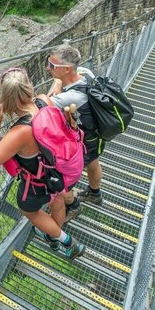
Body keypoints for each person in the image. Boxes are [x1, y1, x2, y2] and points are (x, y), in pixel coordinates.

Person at [0, 67, 85, 259]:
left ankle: (68, 242)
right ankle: (52, 236)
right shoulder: (44, 100)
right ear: (29, 87)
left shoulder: (20, 133)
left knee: (28, 210)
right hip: (57, 174)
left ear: (6, 99)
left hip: (37, 185)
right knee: (57, 201)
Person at [38, 44, 102, 221]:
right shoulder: (85, 73)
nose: (47, 68)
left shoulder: (71, 97)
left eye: (51, 65)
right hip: (96, 134)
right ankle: (95, 194)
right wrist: (59, 81)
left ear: (66, 69)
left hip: (82, 141)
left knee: (61, 183)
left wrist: (54, 86)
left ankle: (73, 206)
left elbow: (43, 106)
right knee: (93, 160)